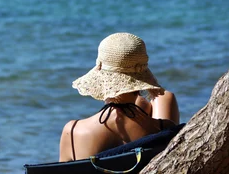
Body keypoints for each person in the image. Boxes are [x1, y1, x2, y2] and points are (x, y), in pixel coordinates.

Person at [59, 32, 180, 162]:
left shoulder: (72, 131)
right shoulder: (163, 129)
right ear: (141, 83)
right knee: (163, 98)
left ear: (100, 78)